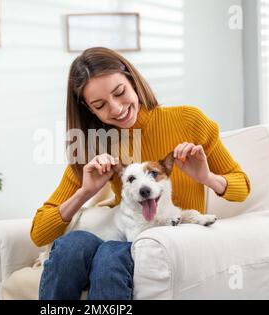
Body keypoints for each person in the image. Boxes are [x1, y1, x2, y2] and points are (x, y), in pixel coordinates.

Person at [32, 47, 251, 300]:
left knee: (109, 256)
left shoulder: (189, 120)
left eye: (120, 92)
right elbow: (40, 233)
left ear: (132, 80)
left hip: (168, 238)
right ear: (89, 109)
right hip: (122, 231)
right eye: (100, 105)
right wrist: (85, 192)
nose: (116, 109)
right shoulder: (95, 145)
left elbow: (242, 187)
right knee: (72, 247)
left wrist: (207, 178)